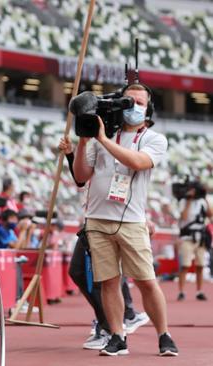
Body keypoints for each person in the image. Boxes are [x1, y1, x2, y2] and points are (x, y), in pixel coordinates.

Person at [72, 83, 178, 356]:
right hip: (97, 219)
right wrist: (84, 141)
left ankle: (164, 334)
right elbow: (81, 176)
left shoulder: (154, 139)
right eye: (129, 100)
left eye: (140, 102)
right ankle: (118, 335)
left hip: (131, 221)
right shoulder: (100, 136)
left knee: (146, 280)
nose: (134, 106)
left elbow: (138, 163)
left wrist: (103, 139)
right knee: (108, 281)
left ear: (148, 108)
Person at [61, 136, 150, 350]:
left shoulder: (120, 147)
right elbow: (81, 178)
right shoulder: (94, 149)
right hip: (94, 217)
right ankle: (119, 318)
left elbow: (133, 187)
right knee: (87, 273)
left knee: (101, 277)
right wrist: (71, 154)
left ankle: (111, 324)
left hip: (114, 219)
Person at [176, 185, 212, 301]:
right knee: (185, 265)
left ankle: (199, 291)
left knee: (200, 265)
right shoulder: (183, 201)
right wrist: (188, 201)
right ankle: (181, 291)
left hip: (201, 237)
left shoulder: (202, 201)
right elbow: (184, 217)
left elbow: (210, 214)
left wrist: (204, 196)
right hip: (187, 237)